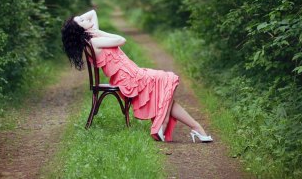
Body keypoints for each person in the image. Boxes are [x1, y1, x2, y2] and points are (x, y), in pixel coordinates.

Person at [61, 9, 213, 143]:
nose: (85, 18)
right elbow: (121, 40)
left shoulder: (91, 41)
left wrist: (78, 23)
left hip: (132, 74)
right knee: (168, 78)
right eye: (81, 21)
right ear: (80, 30)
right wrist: (96, 31)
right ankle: (164, 123)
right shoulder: (95, 41)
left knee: (167, 91)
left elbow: (92, 13)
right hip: (129, 79)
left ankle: (194, 127)